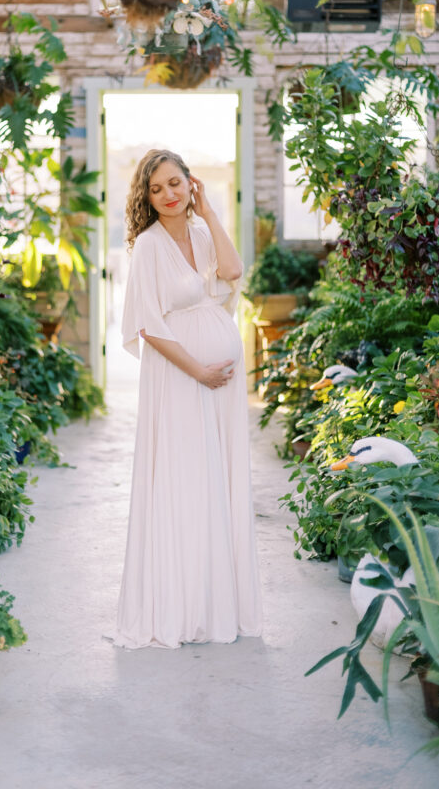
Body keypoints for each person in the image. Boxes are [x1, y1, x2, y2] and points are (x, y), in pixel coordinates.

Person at [114, 148, 263, 649]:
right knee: (186, 481)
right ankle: (181, 608)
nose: (168, 195)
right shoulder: (148, 247)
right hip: (180, 378)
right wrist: (198, 369)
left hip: (219, 386)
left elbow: (234, 270)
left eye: (175, 183)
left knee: (217, 480)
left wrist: (211, 211)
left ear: (190, 183)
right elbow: (147, 325)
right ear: (146, 197)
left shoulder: (201, 231)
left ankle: (215, 603)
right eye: (156, 189)